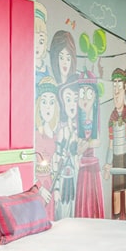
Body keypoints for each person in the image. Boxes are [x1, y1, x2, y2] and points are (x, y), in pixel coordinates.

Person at [104, 69, 126, 220]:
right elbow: (110, 144)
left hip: (124, 157)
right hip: (115, 158)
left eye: (119, 89)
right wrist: (108, 164)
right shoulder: (112, 117)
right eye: (114, 88)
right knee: (116, 193)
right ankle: (115, 221)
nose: (116, 94)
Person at [75, 72, 105, 218]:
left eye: (89, 94)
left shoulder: (94, 120)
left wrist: (86, 144)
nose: (85, 98)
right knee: (83, 198)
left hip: (92, 165)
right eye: (82, 93)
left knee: (93, 199)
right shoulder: (76, 122)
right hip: (82, 165)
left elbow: (97, 141)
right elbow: (77, 145)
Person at [52, 77, 80, 220]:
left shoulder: (79, 131)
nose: (72, 104)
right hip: (63, 179)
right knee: (63, 212)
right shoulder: (62, 132)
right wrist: (56, 188)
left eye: (75, 99)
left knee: (75, 212)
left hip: (75, 178)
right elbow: (56, 161)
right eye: (68, 99)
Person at [34, 77, 59, 217]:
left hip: (50, 184)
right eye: (44, 102)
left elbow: (55, 166)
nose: (48, 107)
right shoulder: (35, 136)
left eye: (51, 102)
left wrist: (57, 189)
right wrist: (39, 188)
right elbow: (30, 168)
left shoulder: (55, 137)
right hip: (38, 186)